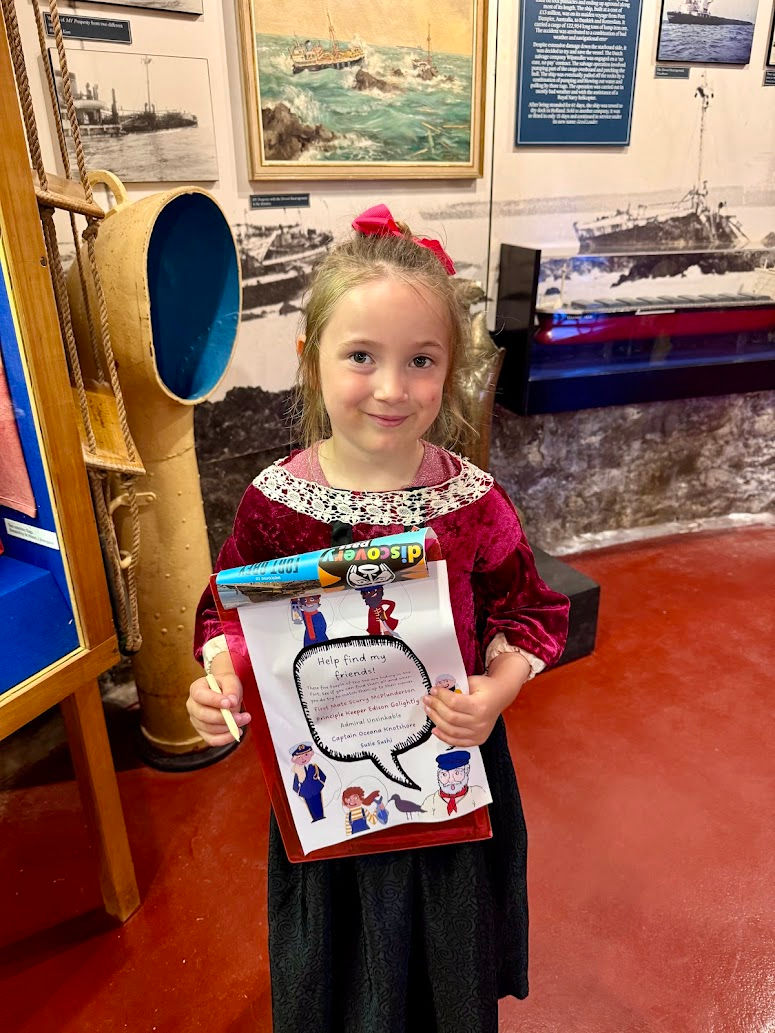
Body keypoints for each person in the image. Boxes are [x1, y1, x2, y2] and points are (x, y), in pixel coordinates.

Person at [186, 202, 569, 1033]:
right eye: (361, 356)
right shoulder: (274, 504)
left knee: (446, 975)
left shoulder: (471, 501)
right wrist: (217, 683)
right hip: (326, 787)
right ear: (310, 361)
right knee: (339, 972)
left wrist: (496, 689)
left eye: (420, 360)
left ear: (449, 368)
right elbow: (227, 613)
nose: (392, 388)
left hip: (446, 781)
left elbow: (530, 612)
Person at [421, 749, 488, 818]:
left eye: (457, 773)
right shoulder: (430, 802)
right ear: (438, 775)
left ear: (467, 770)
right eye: (444, 774)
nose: (451, 780)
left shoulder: (477, 792)